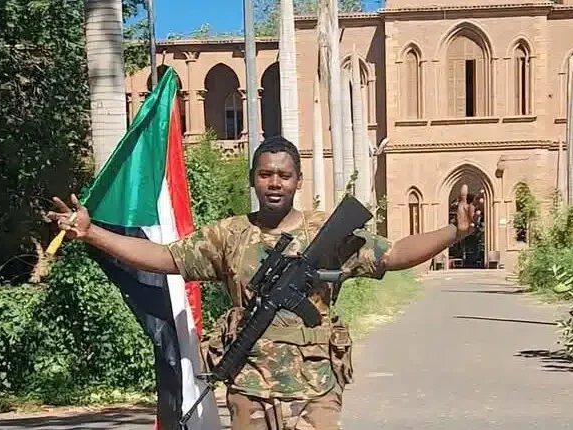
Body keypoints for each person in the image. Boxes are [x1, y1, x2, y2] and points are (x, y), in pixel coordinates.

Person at [48, 135, 481, 430]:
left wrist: (454, 232)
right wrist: (93, 234)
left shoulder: (326, 232)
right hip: (249, 386)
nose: (275, 183)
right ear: (253, 178)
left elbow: (395, 254)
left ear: (298, 181)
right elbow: (164, 258)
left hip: (316, 386)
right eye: (265, 174)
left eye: (284, 175)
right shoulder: (229, 234)